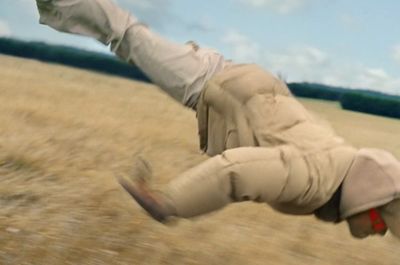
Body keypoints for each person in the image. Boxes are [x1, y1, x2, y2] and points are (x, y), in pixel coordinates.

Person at [35, 0, 400, 239]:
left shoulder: (338, 170)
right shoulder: (313, 180)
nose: (381, 232)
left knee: (127, 37)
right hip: (213, 83)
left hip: (232, 86)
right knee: (127, 35)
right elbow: (235, 172)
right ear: (366, 199)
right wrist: (169, 203)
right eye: (383, 223)